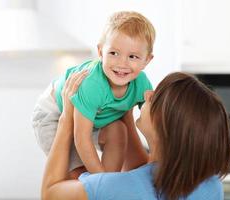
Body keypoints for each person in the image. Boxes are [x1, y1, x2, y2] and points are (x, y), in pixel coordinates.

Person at [41, 71, 230, 200]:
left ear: (164, 126)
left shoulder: (114, 187)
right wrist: (125, 110)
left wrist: (67, 119)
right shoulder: (210, 186)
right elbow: (144, 170)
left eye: (156, 97)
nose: (148, 93)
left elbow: (50, 193)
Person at [32, 11, 155, 177]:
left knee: (118, 130)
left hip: (94, 118)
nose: (122, 63)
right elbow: (81, 138)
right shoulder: (92, 85)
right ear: (100, 52)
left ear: (147, 60)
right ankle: (102, 182)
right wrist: (98, 180)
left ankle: (110, 180)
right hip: (54, 114)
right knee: (78, 174)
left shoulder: (141, 84)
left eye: (133, 56)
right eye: (114, 53)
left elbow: (156, 123)